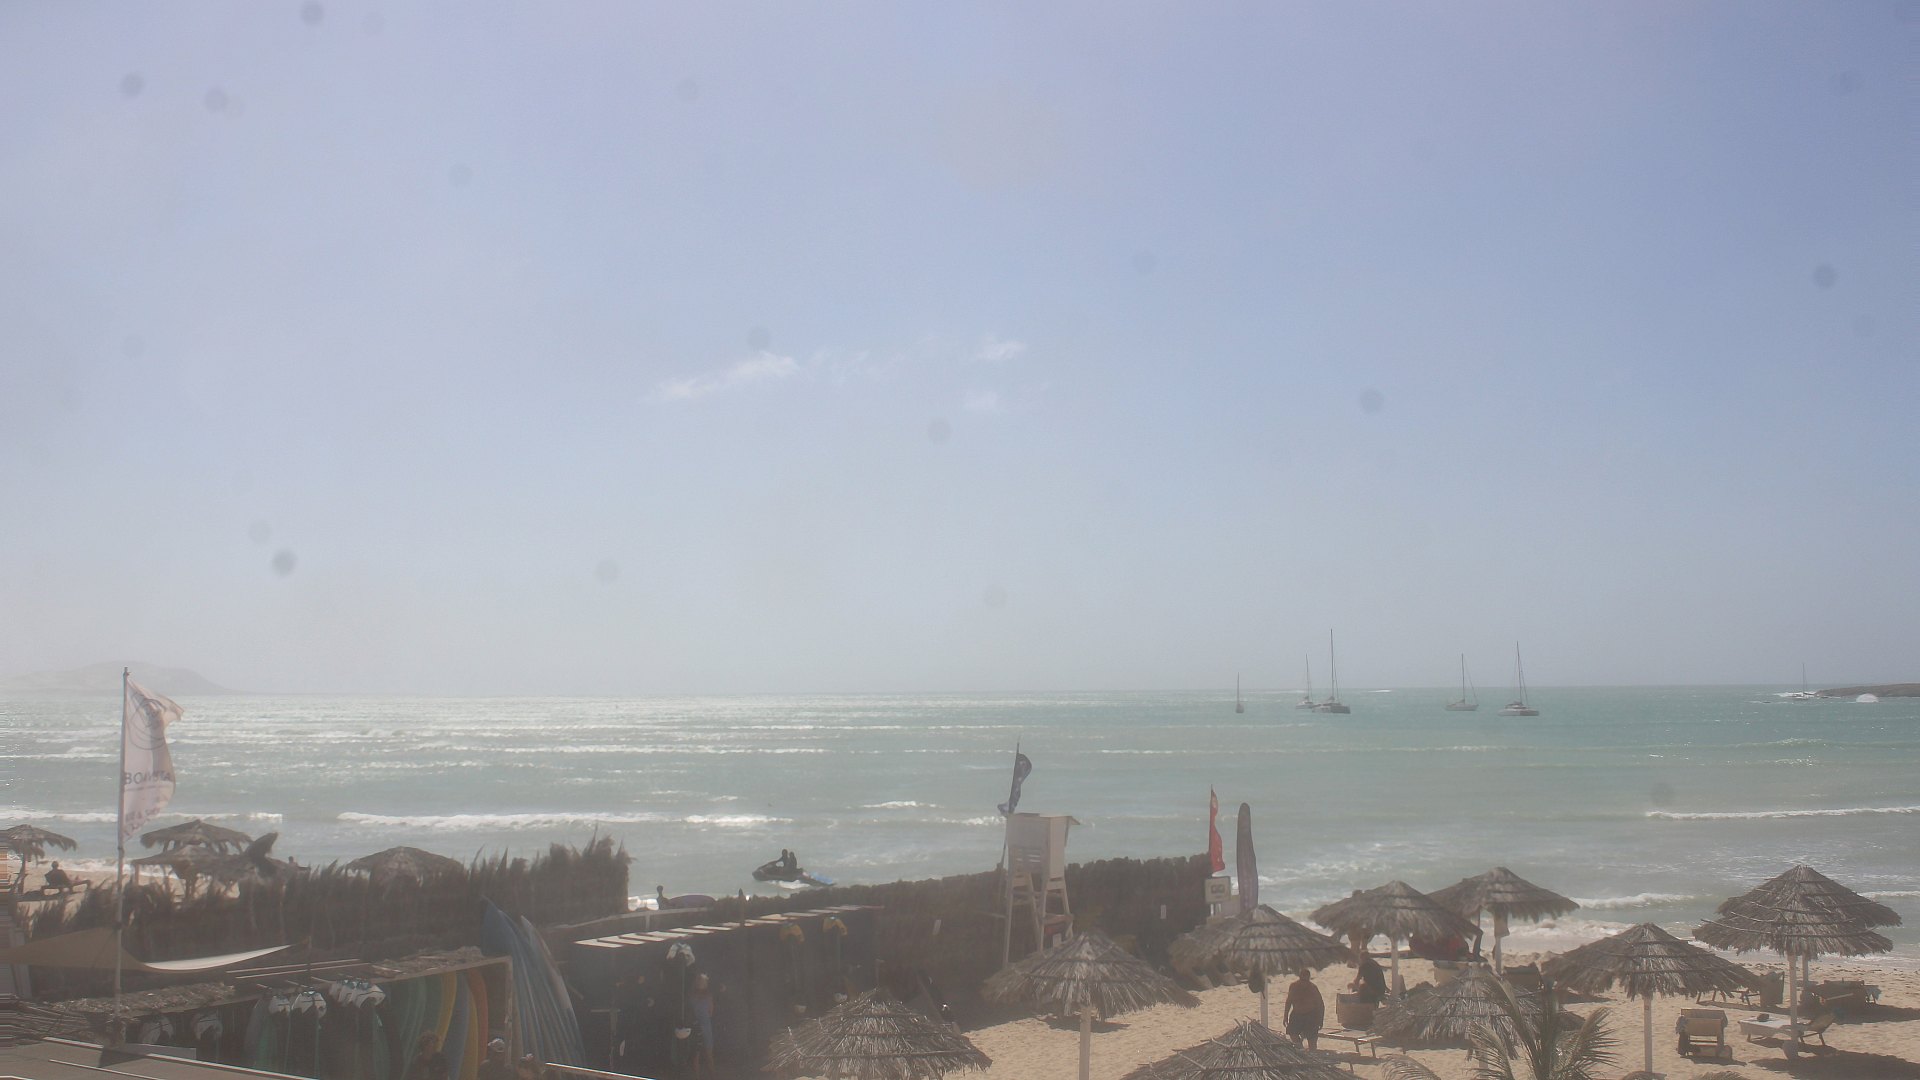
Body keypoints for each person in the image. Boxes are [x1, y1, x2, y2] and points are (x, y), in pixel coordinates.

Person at [1281, 968, 1323, 1050]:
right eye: (1302, 980)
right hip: (1297, 1014)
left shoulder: (1313, 988)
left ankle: (1312, 1054)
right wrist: (1285, 1016)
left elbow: (1320, 1005)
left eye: (1306, 980)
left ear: (1309, 979)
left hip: (1310, 1015)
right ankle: (1300, 1049)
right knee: (1292, 1033)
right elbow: (1288, 1002)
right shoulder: (1294, 986)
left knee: (1312, 1040)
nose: (1304, 983)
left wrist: (1320, 1020)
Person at [689, 973, 717, 1078]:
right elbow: (710, 1012)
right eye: (701, 982)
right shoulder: (693, 996)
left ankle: (712, 1076)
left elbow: (711, 1011)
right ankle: (698, 1077)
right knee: (697, 1054)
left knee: (707, 1053)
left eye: (704, 982)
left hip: (703, 1026)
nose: (703, 984)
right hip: (697, 1026)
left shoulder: (707, 996)